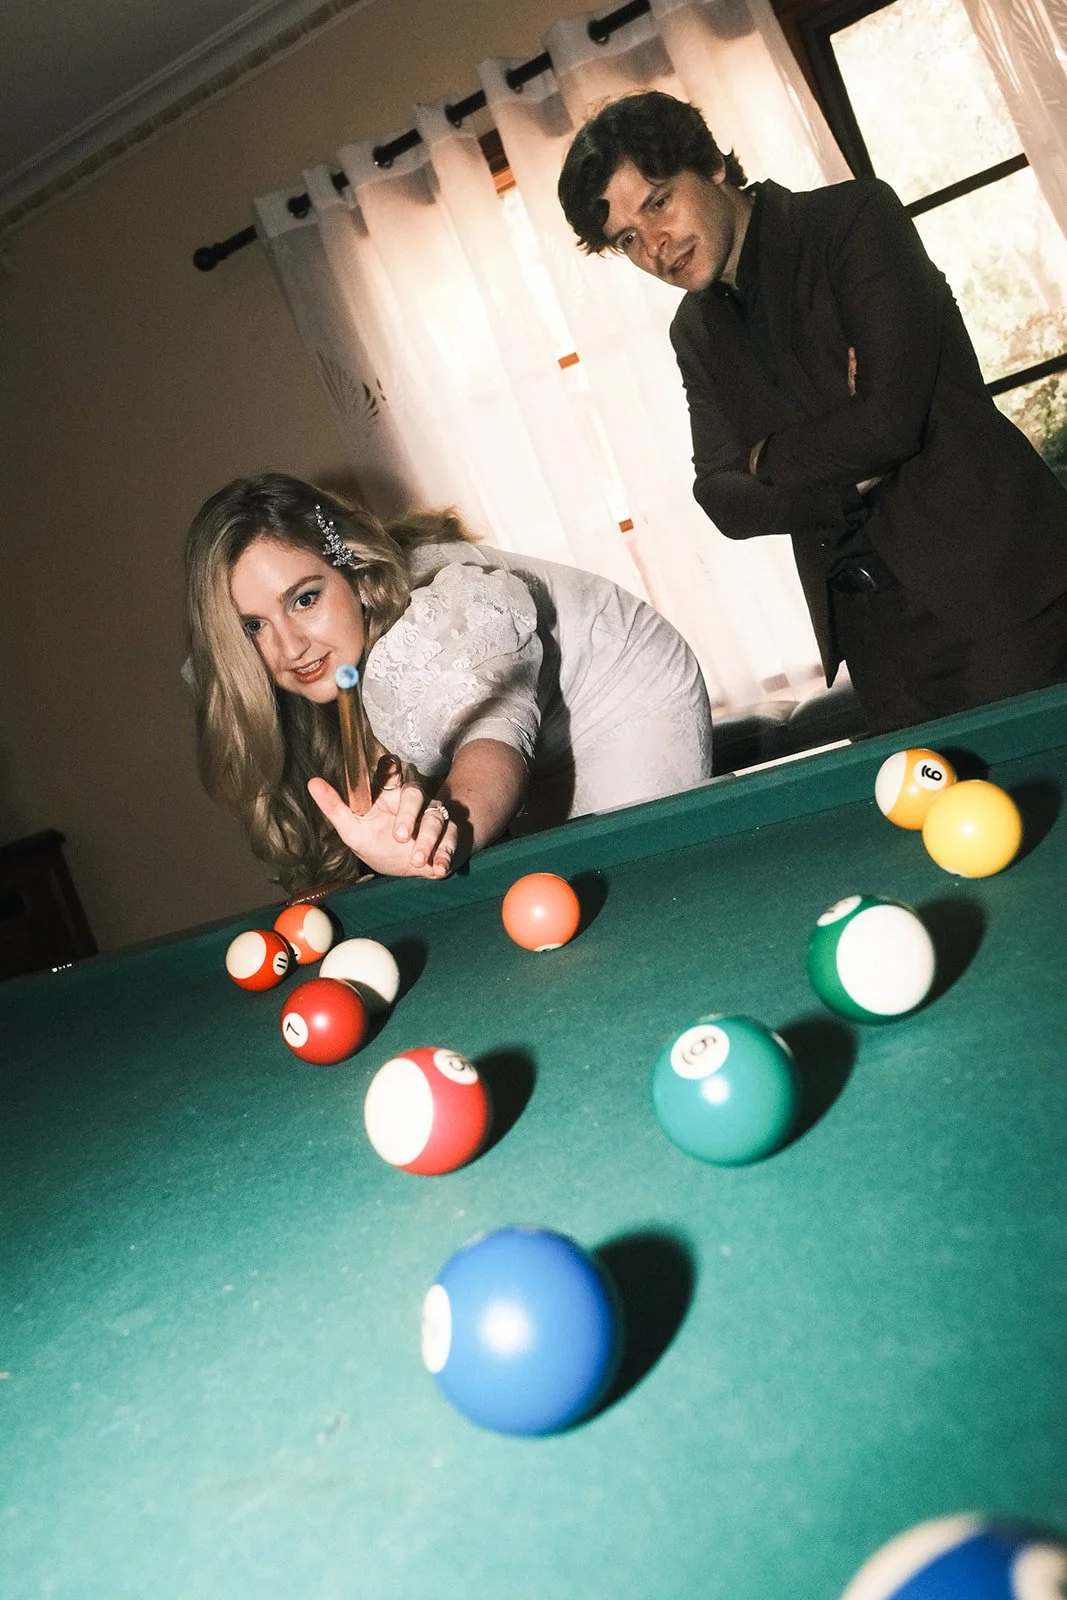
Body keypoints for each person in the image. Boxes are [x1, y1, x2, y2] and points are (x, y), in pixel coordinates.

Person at [557, 90, 1067, 733]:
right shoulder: (694, 331)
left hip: (1004, 595)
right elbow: (721, 499)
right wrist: (841, 464)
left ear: (712, 164)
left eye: (658, 202)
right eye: (627, 237)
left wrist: (765, 457)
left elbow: (887, 423)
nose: (655, 245)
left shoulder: (854, 219)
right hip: (877, 647)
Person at [184, 473, 714, 892]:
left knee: (635, 888)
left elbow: (492, 736)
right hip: (543, 743)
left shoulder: (436, 619)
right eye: (253, 626)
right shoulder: (317, 666)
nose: (290, 647)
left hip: (624, 699)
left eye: (305, 599)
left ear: (356, 572)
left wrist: (443, 833)